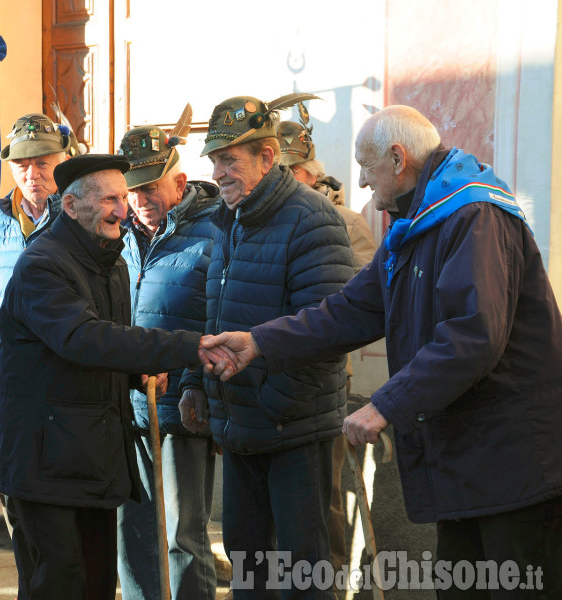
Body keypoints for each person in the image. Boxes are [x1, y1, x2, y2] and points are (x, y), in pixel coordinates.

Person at [202, 105, 562, 598]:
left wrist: (385, 405)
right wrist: (260, 342)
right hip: (468, 461)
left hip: (511, 462)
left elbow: (473, 337)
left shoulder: (473, 214)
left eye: (366, 166)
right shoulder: (415, 223)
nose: (361, 182)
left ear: (397, 158)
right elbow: (349, 310)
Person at [0, 154, 223, 600]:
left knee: (96, 584)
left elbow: (107, 347)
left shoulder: (109, 259)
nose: (122, 210)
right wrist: (187, 346)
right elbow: (83, 339)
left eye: (123, 198)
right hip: (43, 466)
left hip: (89, 460)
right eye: (110, 200)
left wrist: (138, 372)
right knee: (59, 585)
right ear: (72, 207)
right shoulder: (43, 264)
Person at [195, 94, 354, 600]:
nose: (219, 173)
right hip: (242, 426)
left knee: (304, 578)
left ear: (267, 157)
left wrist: (271, 406)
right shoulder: (225, 220)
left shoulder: (312, 219)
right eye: (215, 161)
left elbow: (327, 330)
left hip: (293, 432)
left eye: (230, 160)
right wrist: (200, 389)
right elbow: (212, 315)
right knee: (250, 574)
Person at [0, 112, 71, 599]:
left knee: (63, 530)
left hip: (68, 399)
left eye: (43, 162)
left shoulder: (80, 221)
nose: (32, 174)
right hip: (8, 400)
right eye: (23, 164)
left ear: (62, 162)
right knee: (20, 519)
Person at [116, 121, 221, 600]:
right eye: (131, 189)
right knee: (133, 529)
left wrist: (195, 381)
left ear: (180, 182)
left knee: (182, 534)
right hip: (128, 404)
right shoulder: (115, 235)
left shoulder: (216, 231)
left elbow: (219, 319)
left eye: (149, 187)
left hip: (181, 405)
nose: (139, 200)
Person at [277, 109, 377, 575]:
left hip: (321, 376)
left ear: (305, 173)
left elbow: (360, 300)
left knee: (323, 496)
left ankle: (330, 578)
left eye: (284, 170)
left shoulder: (346, 221)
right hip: (267, 371)